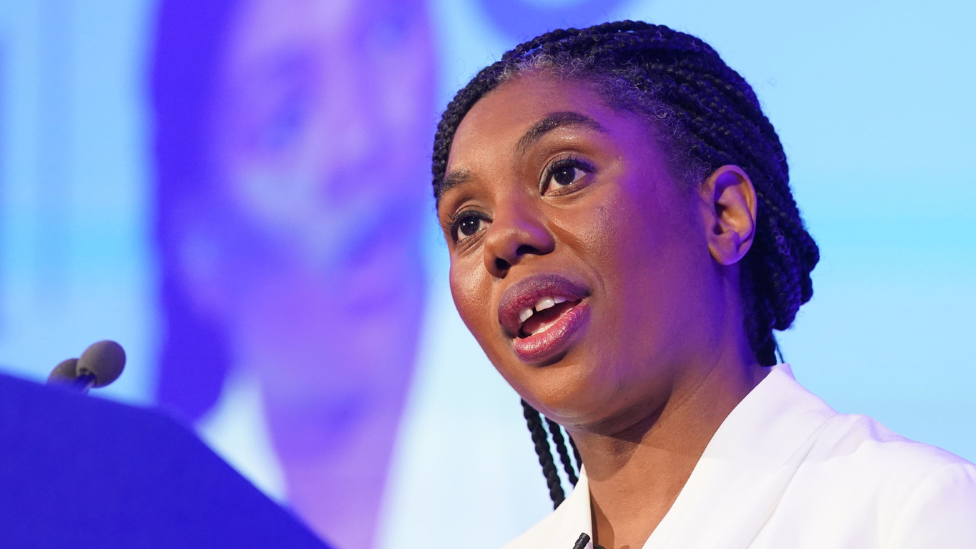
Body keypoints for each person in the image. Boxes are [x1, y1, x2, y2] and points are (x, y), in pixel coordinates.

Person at [431, 21, 976, 549]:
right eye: (468, 224)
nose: (503, 240)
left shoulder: (907, 514)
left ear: (724, 214)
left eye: (565, 174)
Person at [150, 0, 435, 547]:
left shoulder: (598, 455)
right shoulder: (160, 521)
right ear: (197, 244)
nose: (360, 144)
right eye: (286, 122)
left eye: (386, 38)